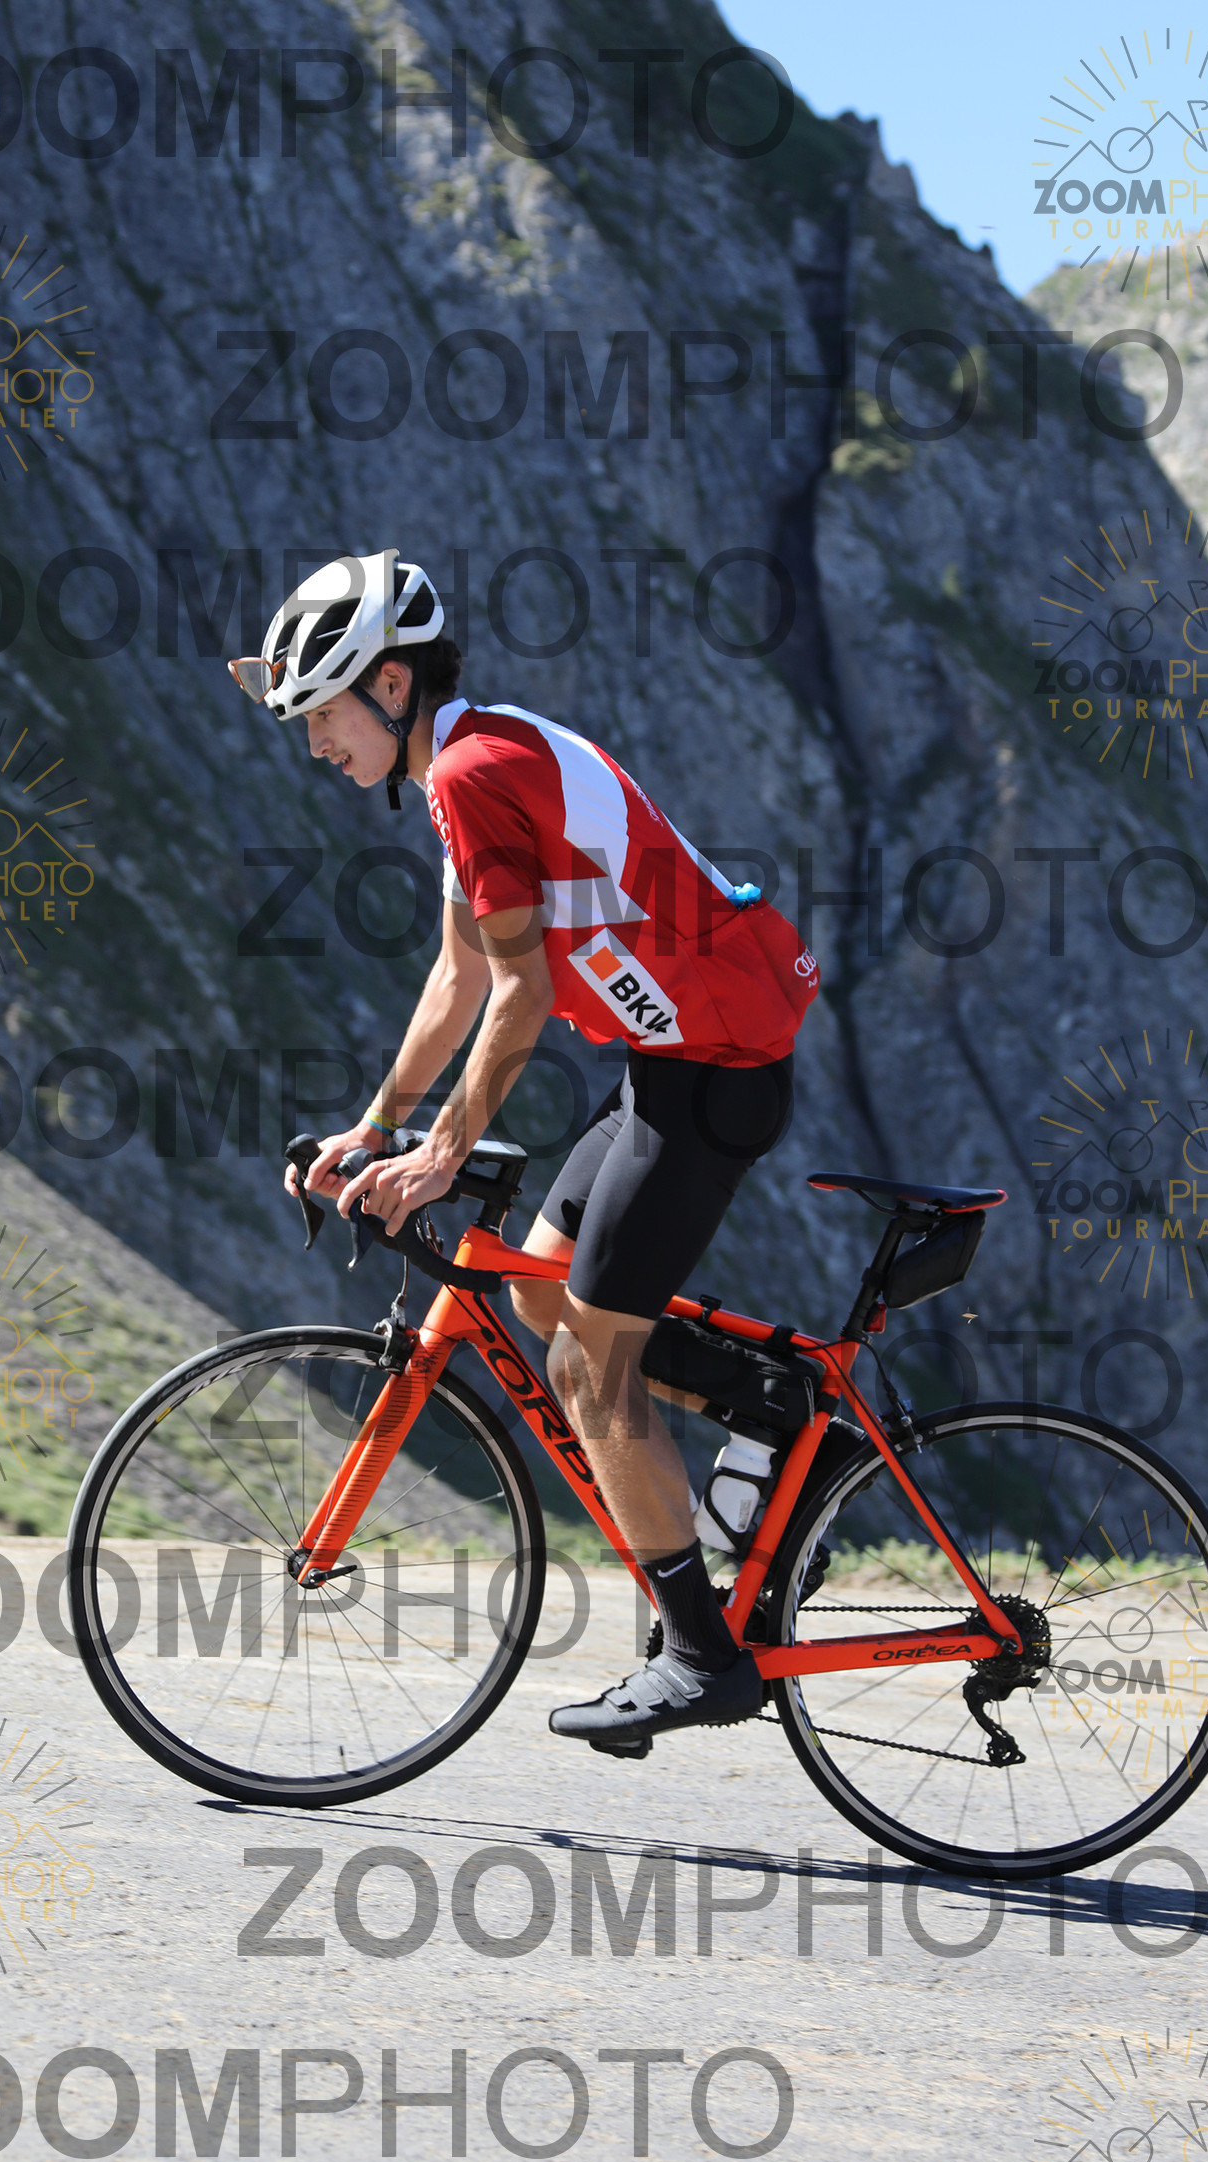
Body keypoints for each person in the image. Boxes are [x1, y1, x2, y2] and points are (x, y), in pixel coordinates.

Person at [231, 549, 820, 1749]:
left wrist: (439, 1157)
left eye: (323, 713)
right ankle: (768, 1406)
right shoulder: (470, 757)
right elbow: (457, 977)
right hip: (674, 1062)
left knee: (590, 1370)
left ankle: (702, 1658)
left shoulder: (470, 772)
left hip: (712, 1072)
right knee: (545, 1298)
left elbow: (521, 994)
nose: (315, 743)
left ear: (390, 682)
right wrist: (378, 1127)